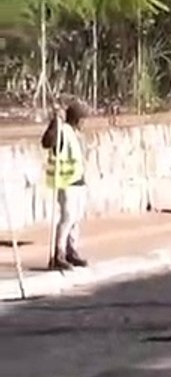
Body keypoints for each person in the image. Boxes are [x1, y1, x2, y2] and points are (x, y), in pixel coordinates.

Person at [40, 100, 91, 270]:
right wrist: (55, 122)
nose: (85, 123)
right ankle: (59, 254)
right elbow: (47, 142)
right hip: (66, 182)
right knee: (67, 217)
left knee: (76, 218)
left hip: (78, 182)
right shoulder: (63, 131)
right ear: (77, 119)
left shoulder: (75, 134)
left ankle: (71, 251)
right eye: (83, 120)